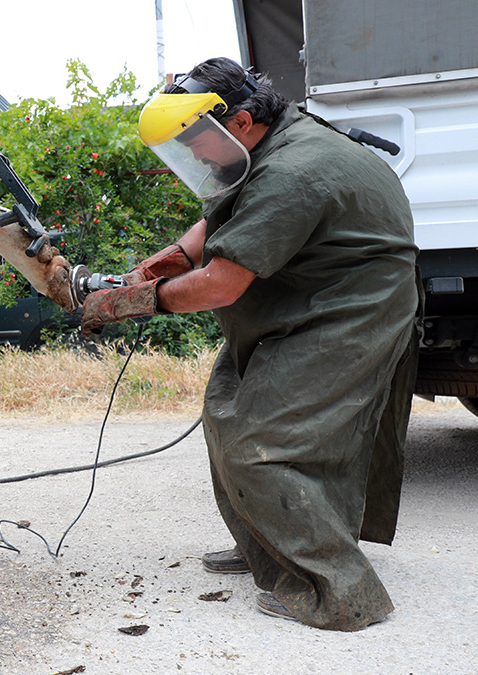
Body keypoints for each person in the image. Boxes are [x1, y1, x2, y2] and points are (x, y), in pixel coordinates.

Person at [75, 57, 420, 631]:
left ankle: (339, 593)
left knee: (262, 442)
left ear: (236, 120)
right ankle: (270, 543)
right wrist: (176, 257)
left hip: (348, 310)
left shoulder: (295, 171)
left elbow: (220, 285)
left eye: (195, 142)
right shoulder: (268, 140)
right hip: (299, 298)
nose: (195, 156)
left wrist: (131, 302)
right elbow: (224, 209)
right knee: (225, 413)